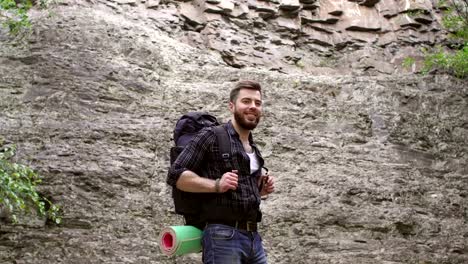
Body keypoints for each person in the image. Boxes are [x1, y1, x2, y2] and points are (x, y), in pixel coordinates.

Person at [167, 80, 275, 264]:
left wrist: (260, 191)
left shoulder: (253, 148)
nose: (253, 107)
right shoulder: (212, 135)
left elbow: (240, 191)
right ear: (232, 106)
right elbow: (175, 175)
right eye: (246, 101)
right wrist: (217, 185)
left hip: (253, 237)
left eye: (257, 103)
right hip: (222, 237)